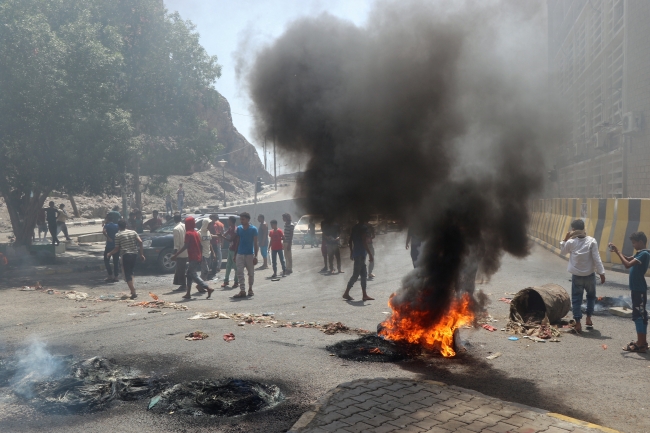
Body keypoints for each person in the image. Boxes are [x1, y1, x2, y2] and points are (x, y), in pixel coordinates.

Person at [560, 219, 606, 333]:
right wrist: (602, 273)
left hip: (577, 276)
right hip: (590, 275)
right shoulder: (592, 241)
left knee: (577, 299)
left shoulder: (571, 242)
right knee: (591, 297)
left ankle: (578, 323)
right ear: (584, 228)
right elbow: (597, 258)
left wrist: (565, 239)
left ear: (573, 230)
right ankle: (589, 318)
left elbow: (563, 251)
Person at [609, 232, 649, 353]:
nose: (633, 245)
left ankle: (641, 344)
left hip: (639, 290)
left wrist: (617, 252)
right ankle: (642, 342)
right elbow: (628, 259)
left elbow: (627, 265)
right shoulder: (640, 253)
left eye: (634, 243)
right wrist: (617, 250)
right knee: (640, 315)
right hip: (637, 289)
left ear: (641, 242)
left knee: (639, 316)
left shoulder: (644, 254)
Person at [171, 216, 214, 299]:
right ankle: (188, 293)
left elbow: (185, 246)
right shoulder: (195, 232)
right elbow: (199, 245)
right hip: (196, 256)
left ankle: (207, 287)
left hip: (193, 257)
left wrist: (176, 255)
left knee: (193, 274)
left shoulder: (188, 233)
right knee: (189, 274)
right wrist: (200, 256)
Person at [106, 219, 145, 300]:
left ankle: (133, 292)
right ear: (126, 226)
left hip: (126, 255)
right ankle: (132, 290)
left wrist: (110, 253)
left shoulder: (118, 235)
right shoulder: (133, 232)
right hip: (134, 254)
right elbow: (140, 242)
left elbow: (116, 248)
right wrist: (141, 254)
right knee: (131, 272)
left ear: (119, 227)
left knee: (127, 274)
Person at [343, 218, 374, 301]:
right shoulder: (363, 228)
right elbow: (364, 241)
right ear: (365, 220)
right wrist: (370, 254)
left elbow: (350, 241)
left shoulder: (354, 227)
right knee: (356, 275)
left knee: (364, 274)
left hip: (358, 253)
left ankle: (364, 295)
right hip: (360, 254)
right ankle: (346, 293)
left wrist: (351, 251)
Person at [232, 212, 259, 298]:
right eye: (240, 219)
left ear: (248, 219)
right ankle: (242, 290)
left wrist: (256, 256)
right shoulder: (239, 229)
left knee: (251, 273)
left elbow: (255, 243)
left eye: (243, 219)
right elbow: (237, 242)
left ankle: (250, 289)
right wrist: (235, 254)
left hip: (249, 255)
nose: (241, 221)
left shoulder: (253, 229)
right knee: (239, 272)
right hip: (240, 254)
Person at [220, 216, 239, 288]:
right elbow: (224, 234)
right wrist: (220, 236)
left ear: (231, 221)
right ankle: (226, 281)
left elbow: (230, 240)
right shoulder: (230, 228)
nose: (227, 222)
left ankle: (236, 282)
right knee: (228, 266)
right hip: (230, 249)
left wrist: (222, 237)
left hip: (234, 250)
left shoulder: (235, 229)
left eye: (228, 220)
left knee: (235, 267)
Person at [172, 214, 188, 292]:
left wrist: (175, 254)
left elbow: (176, 244)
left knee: (180, 269)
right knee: (182, 268)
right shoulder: (185, 226)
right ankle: (182, 284)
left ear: (174, 220)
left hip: (180, 252)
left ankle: (183, 285)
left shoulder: (176, 229)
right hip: (186, 250)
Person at [207, 214, 224, 280]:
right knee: (217, 255)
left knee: (214, 256)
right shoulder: (219, 224)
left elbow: (216, 234)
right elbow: (221, 233)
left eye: (210, 218)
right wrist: (222, 241)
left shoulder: (213, 225)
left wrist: (214, 236)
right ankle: (217, 267)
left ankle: (214, 270)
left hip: (213, 242)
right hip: (216, 241)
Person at [103, 218, 120, 282]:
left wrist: (108, 237)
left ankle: (110, 275)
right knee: (116, 261)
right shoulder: (116, 225)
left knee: (106, 260)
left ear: (107, 219)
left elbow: (104, 231)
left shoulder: (107, 225)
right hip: (116, 246)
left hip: (109, 246)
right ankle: (116, 277)